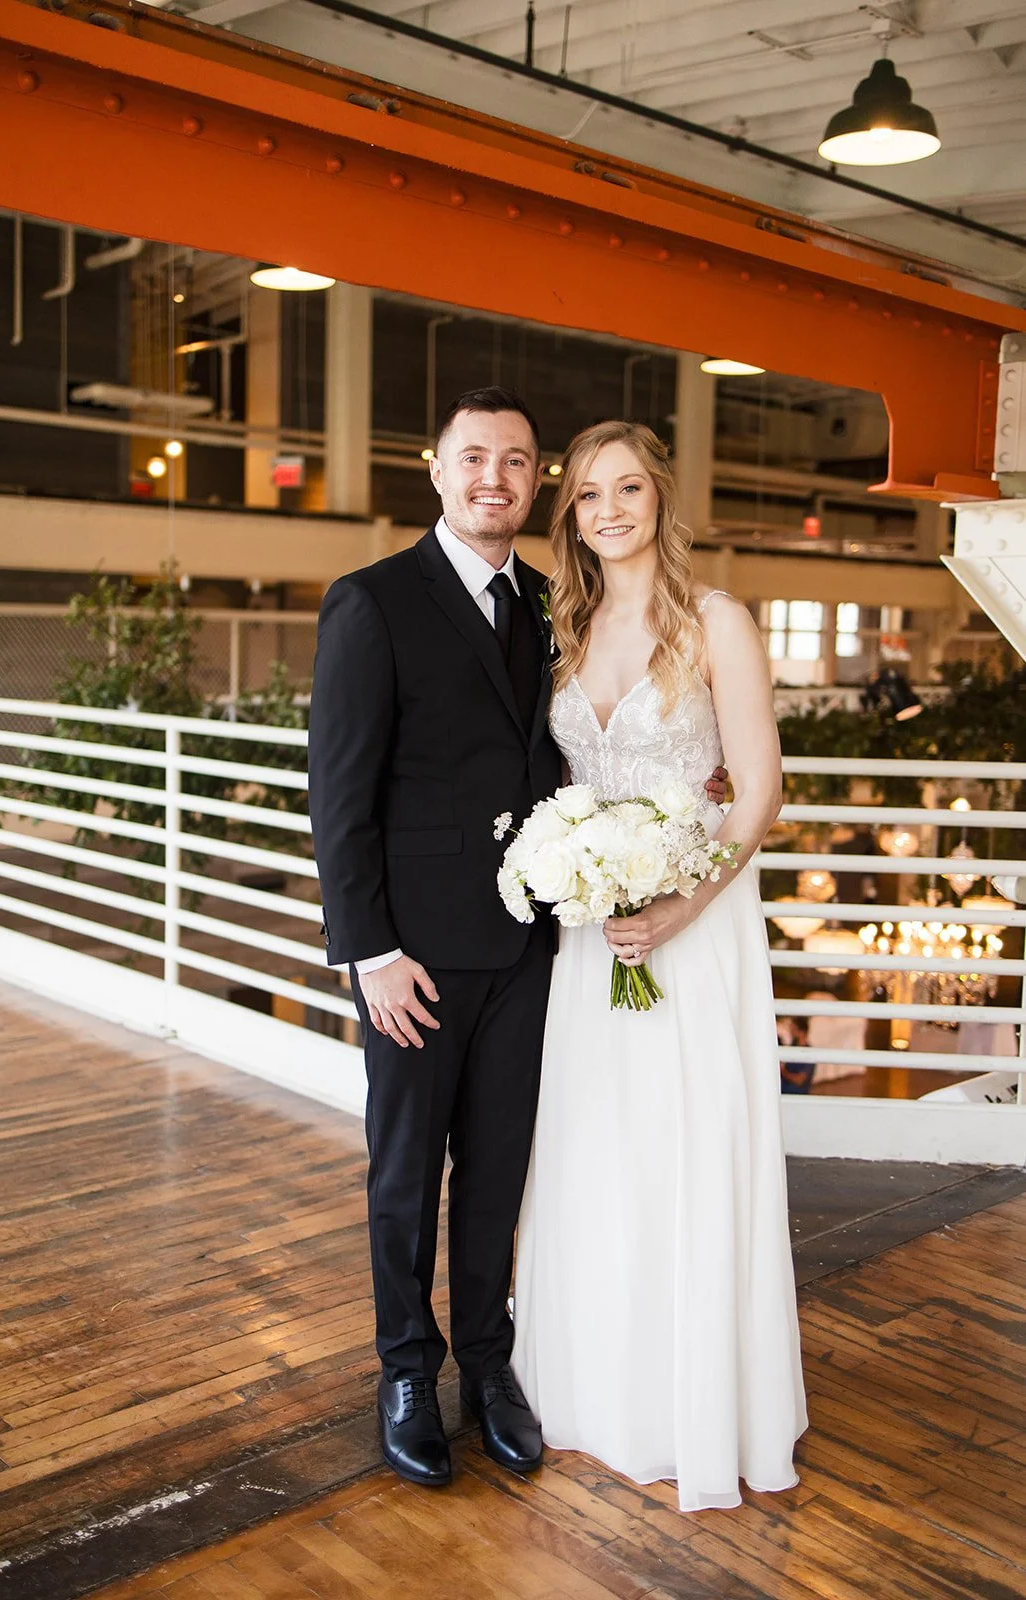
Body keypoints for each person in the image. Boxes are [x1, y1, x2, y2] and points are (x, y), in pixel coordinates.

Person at [309, 388, 728, 1489]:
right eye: (473, 458)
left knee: (498, 1170)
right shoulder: (371, 601)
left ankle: (488, 1368)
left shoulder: (554, 605)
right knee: (407, 1175)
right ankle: (407, 1371)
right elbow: (338, 794)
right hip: (411, 958)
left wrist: (691, 799)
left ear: (534, 481)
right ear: (436, 469)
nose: (492, 477)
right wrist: (368, 951)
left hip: (534, 945)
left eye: (514, 461)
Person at [512, 419, 807, 1513]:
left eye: (627, 488)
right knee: (595, 1153)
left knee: (686, 1152)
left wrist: (680, 907)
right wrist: (574, 875)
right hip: (592, 938)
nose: (609, 510)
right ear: (571, 516)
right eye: (588, 495)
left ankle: (698, 1405)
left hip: (695, 927)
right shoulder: (560, 624)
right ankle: (594, 1395)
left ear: (659, 498)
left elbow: (758, 790)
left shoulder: (715, 619)